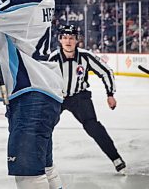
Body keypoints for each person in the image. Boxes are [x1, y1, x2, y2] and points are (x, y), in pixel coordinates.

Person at [0, 0, 64, 189]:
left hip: (32, 94)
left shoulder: (26, 4)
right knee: (45, 168)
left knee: (29, 174)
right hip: (41, 94)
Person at [49, 24, 126, 174]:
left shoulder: (85, 56)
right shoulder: (53, 58)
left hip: (79, 98)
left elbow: (106, 72)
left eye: (71, 38)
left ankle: (116, 158)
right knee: (44, 128)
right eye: (65, 38)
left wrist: (110, 94)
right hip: (57, 98)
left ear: (77, 40)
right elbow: (43, 79)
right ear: (60, 40)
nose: (68, 41)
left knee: (93, 127)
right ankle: (40, 163)